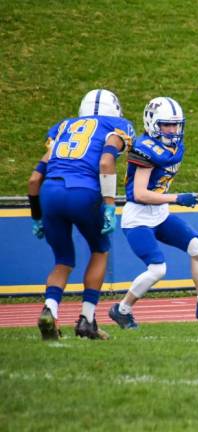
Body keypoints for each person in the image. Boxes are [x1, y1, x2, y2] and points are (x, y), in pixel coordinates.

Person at [108, 97, 198, 329]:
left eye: (176, 125)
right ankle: (121, 309)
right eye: (167, 124)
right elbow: (139, 193)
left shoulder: (173, 146)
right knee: (158, 269)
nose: (173, 130)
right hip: (138, 217)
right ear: (152, 123)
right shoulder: (145, 148)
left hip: (160, 214)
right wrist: (177, 198)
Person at [29, 89, 135, 340]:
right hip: (83, 191)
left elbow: (34, 179)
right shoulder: (117, 126)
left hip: (50, 191)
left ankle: (50, 310)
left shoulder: (64, 127)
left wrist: (36, 216)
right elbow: (106, 162)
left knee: (63, 259)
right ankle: (87, 319)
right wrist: (109, 204)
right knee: (99, 250)